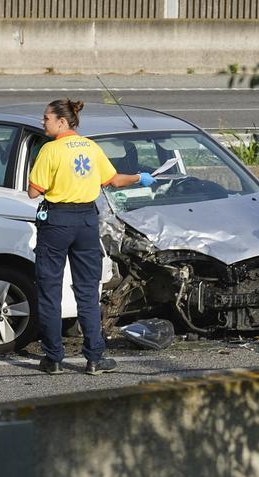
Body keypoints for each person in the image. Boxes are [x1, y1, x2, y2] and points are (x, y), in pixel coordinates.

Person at [27, 99, 155, 375]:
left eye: (46, 118)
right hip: (86, 221)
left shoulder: (50, 150)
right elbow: (113, 180)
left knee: (50, 291)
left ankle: (54, 358)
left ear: (62, 122)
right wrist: (139, 178)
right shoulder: (91, 146)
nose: (43, 122)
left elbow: (33, 192)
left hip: (57, 221)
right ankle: (95, 358)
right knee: (87, 292)